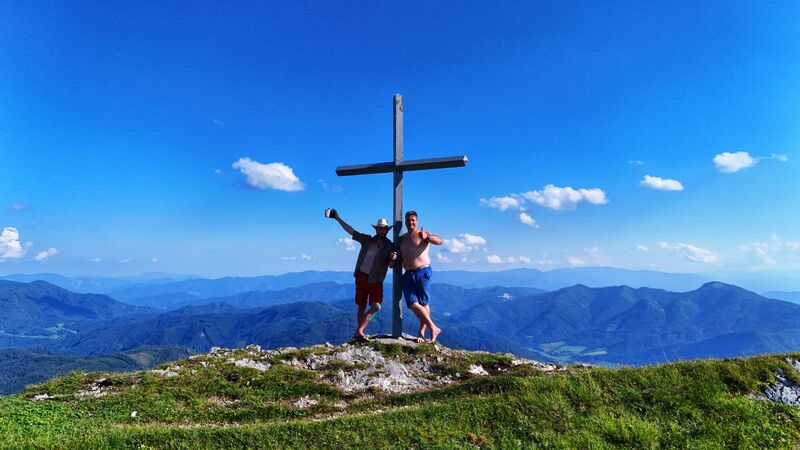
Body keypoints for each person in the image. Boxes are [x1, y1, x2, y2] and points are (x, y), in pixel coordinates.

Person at [327, 208, 396, 341]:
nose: (381, 230)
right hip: (361, 277)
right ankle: (360, 332)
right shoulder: (367, 240)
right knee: (361, 305)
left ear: (387, 230)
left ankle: (359, 330)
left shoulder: (390, 246)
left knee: (376, 307)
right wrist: (337, 219)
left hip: (376, 280)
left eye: (384, 229)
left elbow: (391, 266)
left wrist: (393, 259)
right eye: (379, 228)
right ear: (376, 230)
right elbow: (351, 231)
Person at [397, 210, 443, 343]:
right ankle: (433, 328)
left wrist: (427, 237)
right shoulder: (403, 238)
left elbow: (440, 241)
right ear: (405, 221)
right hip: (408, 273)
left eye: (413, 220)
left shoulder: (422, 233)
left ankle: (421, 333)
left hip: (422, 271)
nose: (410, 222)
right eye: (408, 220)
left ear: (417, 221)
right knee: (412, 304)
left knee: (423, 303)